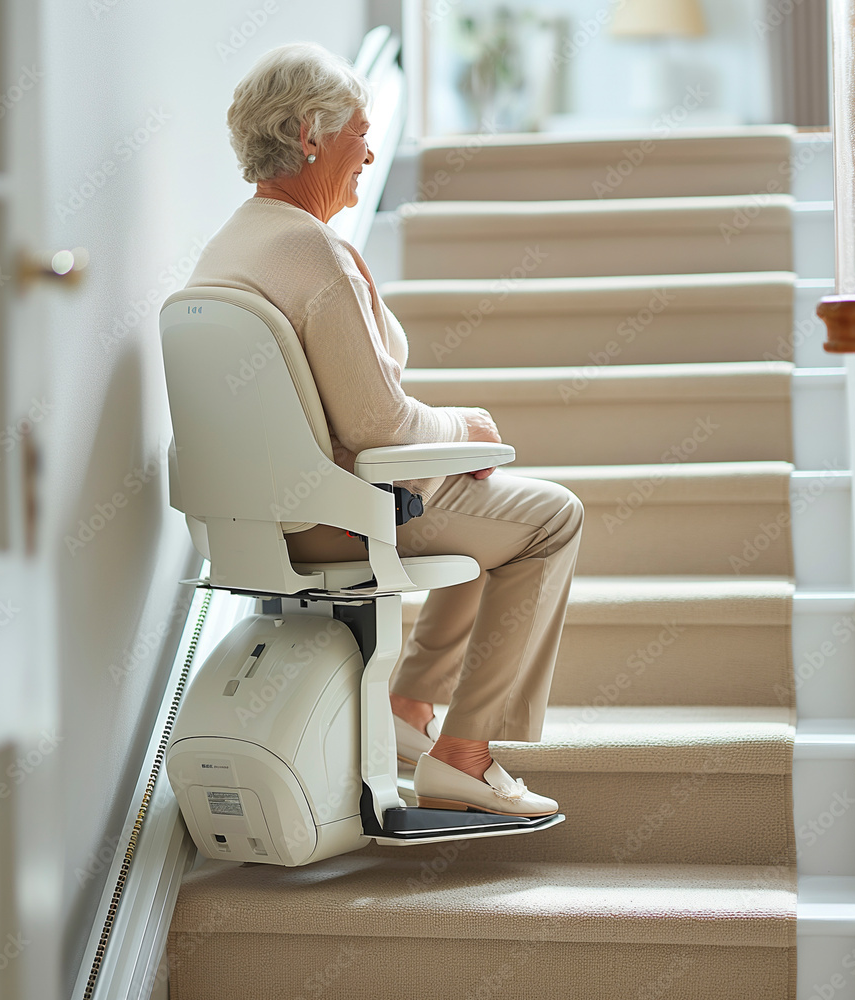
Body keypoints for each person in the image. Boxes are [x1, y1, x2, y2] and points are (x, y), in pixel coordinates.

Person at [186, 42, 584, 818]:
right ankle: (465, 756)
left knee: (481, 495)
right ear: (309, 134)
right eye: (357, 131)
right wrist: (464, 425)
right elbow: (380, 428)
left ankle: (407, 715)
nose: (370, 149)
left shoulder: (231, 243)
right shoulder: (311, 251)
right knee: (550, 517)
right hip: (336, 518)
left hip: (262, 517)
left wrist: (453, 447)